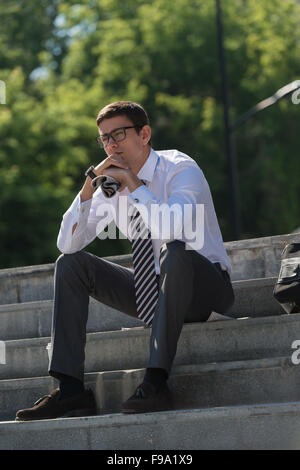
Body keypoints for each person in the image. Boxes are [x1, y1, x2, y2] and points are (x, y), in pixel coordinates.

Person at [15, 101, 234, 421]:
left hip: (205, 289)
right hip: (155, 293)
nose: (111, 144)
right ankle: (71, 390)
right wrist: (87, 193)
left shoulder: (180, 168)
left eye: (118, 133)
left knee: (175, 249)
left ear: (144, 134)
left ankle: (156, 382)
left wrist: (134, 184)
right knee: (70, 264)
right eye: (104, 138)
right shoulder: (110, 183)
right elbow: (67, 243)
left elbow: (172, 228)